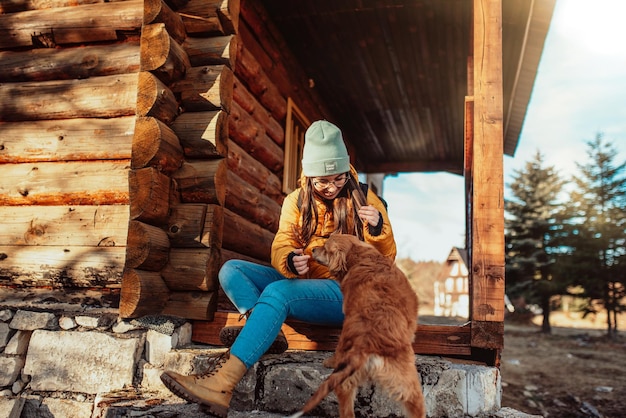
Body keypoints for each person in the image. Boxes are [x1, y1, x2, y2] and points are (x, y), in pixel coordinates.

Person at [160, 120, 397, 418]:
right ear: (309, 176)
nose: (331, 187)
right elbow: (283, 241)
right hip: (308, 286)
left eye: (337, 179)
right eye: (322, 181)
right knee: (232, 270)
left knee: (278, 292)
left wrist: (377, 228)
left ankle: (223, 384)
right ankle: (264, 332)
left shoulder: (364, 198)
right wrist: (288, 260)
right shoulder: (295, 202)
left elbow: (386, 261)